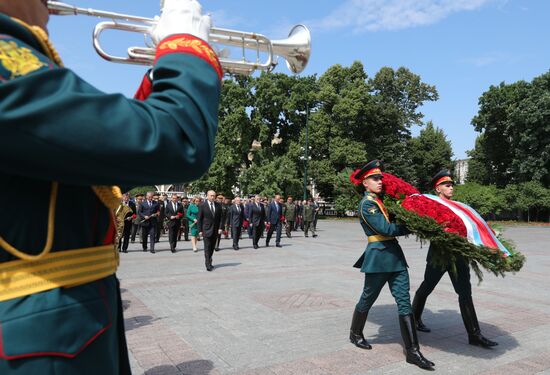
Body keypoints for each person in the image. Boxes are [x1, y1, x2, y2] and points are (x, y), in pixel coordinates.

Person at [0, 0, 221, 373]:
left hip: (57, 326)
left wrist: (162, 71)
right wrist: (186, 47)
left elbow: (100, 164)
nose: (49, 11)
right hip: (42, 341)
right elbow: (179, 140)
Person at [348, 160, 434, 370]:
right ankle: (355, 333)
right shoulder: (367, 204)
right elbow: (385, 229)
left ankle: (413, 351)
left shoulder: (380, 202)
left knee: (404, 301)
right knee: (368, 297)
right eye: (374, 179)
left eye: (380, 178)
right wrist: (410, 226)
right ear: (365, 183)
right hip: (378, 259)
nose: (379, 181)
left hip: (394, 257)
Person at [412, 170, 498, 348]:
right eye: (447, 185)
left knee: (465, 293)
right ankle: (414, 318)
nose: (451, 188)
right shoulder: (431, 204)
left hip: (458, 256)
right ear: (438, 188)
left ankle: (474, 335)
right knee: (427, 286)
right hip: (439, 256)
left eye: (452, 185)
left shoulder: (459, 207)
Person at [197, 190, 222, 271]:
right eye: (211, 195)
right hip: (206, 229)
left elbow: (221, 218)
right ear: (207, 196)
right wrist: (200, 230)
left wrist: (220, 228)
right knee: (207, 247)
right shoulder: (202, 205)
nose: (212, 197)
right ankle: (207, 263)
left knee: (212, 247)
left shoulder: (218, 205)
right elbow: (199, 219)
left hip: (215, 230)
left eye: (214, 196)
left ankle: (210, 259)